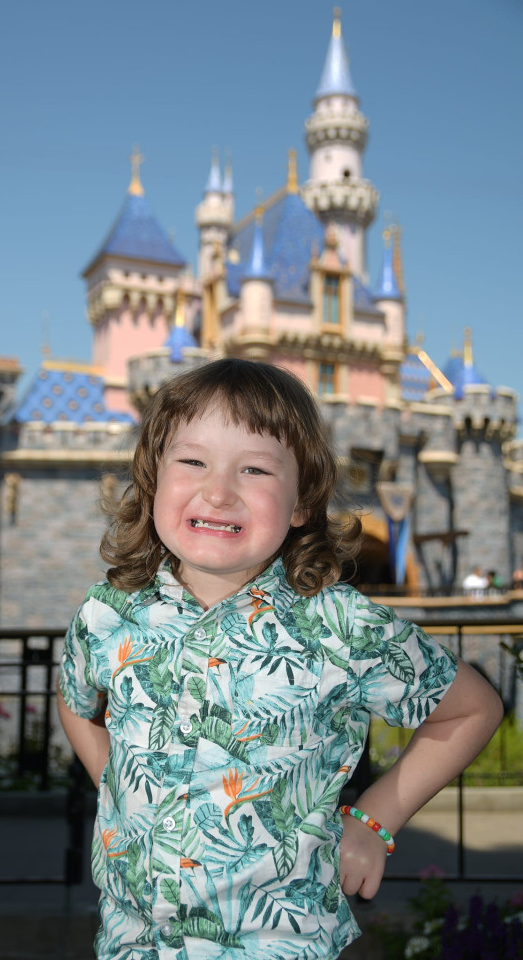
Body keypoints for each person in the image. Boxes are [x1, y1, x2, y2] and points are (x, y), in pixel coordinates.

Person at [57, 359, 503, 960]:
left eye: (255, 469)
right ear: (153, 480)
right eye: (192, 461)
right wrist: (120, 785)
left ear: (300, 503)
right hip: (133, 942)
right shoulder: (107, 615)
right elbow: (76, 701)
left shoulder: (340, 626)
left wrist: (375, 821)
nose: (218, 491)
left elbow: (471, 709)